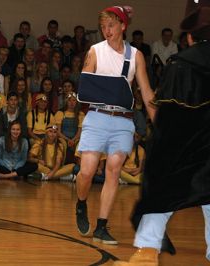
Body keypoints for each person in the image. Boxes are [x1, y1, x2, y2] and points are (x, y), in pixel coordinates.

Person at [114, 1, 210, 264]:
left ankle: (145, 256)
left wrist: (156, 152)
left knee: (161, 194)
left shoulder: (182, 65)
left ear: (190, 37)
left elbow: (169, 119)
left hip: (190, 152)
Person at [75, 5, 156, 245]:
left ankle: (101, 226)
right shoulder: (95, 51)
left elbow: (147, 92)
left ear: (123, 26)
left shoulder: (136, 55)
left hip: (123, 121)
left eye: (110, 25)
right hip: (96, 117)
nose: (106, 30)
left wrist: (158, 123)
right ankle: (81, 203)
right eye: (103, 27)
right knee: (87, 172)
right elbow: (84, 85)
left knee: (113, 170)